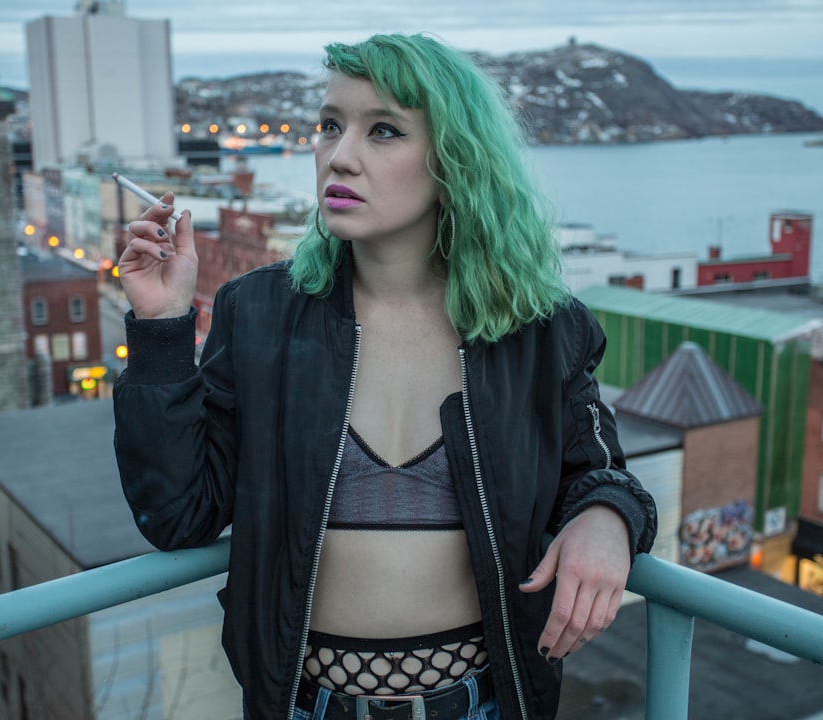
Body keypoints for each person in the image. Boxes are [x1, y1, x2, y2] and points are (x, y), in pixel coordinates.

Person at [113, 32, 657, 720]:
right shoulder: (259, 314)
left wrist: (607, 519)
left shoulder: (540, 329)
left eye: (384, 131)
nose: (339, 155)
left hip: (486, 704)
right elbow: (178, 515)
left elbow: (600, 471)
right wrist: (162, 328)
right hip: (304, 706)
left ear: (455, 159)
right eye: (330, 125)